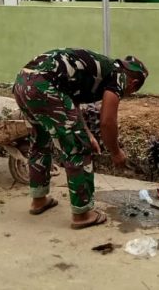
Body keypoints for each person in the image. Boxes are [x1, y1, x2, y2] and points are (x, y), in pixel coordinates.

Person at [12, 49, 148, 229]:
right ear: (134, 83)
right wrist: (116, 152)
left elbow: (70, 99)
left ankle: (39, 200)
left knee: (40, 140)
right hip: (44, 86)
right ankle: (83, 214)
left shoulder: (99, 69)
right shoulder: (119, 77)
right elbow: (107, 121)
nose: (127, 94)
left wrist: (87, 133)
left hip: (23, 82)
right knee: (77, 148)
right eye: (132, 91)